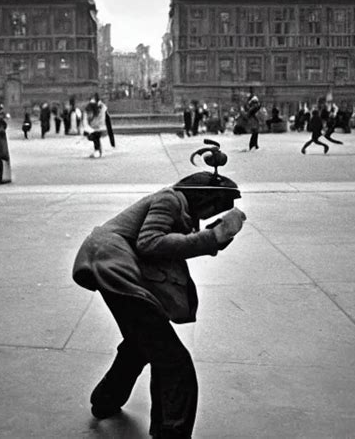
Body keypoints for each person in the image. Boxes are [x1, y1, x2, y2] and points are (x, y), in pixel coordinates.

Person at [72, 140, 246, 439]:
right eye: (214, 207)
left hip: (110, 262)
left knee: (142, 344)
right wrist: (212, 237)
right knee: (173, 361)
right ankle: (171, 432)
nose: (208, 215)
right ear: (205, 198)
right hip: (113, 263)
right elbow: (149, 243)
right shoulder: (171, 200)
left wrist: (212, 238)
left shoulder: (179, 209)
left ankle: (105, 400)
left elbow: (165, 249)